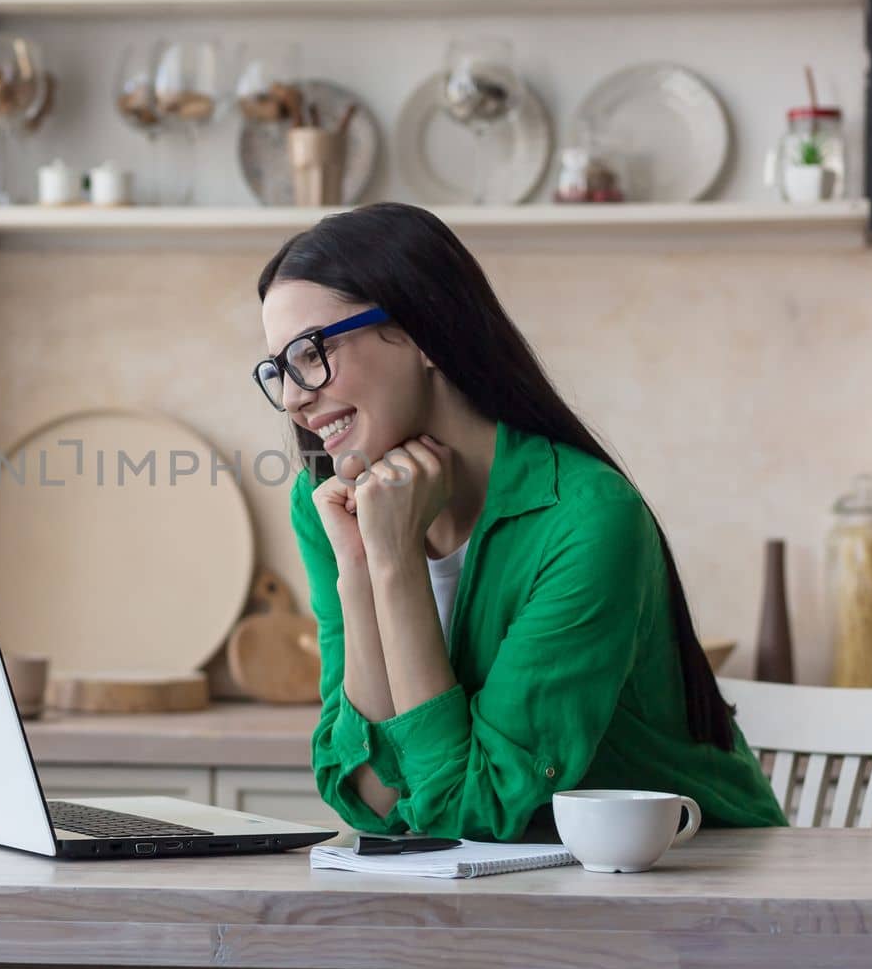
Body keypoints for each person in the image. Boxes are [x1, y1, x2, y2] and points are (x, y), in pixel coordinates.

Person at [253, 203, 787, 840]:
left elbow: (474, 810)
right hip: (518, 892)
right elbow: (369, 799)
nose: (293, 396)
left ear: (421, 331)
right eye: (278, 369)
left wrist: (394, 564)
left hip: (698, 884)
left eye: (312, 352)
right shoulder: (330, 506)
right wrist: (361, 567)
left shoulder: (586, 519)